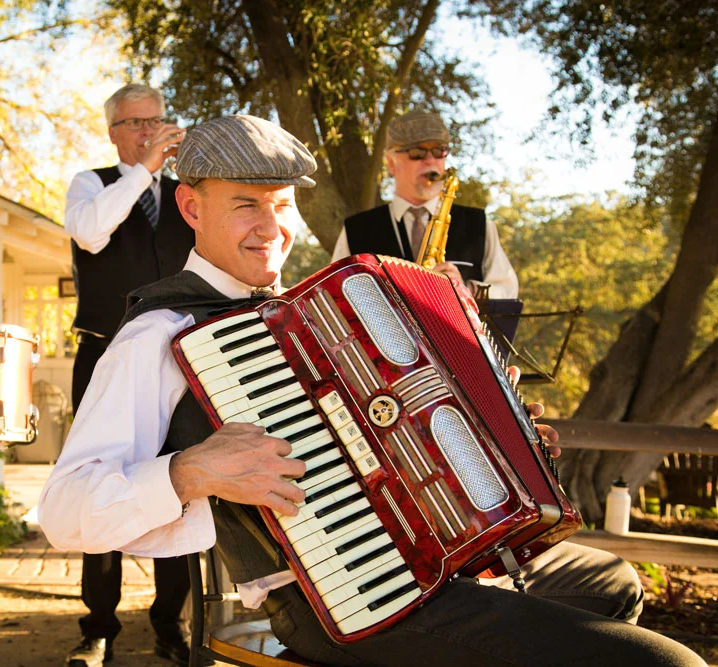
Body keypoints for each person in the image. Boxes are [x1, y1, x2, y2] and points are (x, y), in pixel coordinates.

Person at [39, 114, 705, 667]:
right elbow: (63, 511)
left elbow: (393, 439)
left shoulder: (318, 315)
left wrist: (501, 449)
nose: (271, 227)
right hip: (342, 597)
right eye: (246, 204)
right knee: (670, 664)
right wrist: (187, 471)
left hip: (435, 561)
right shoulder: (161, 332)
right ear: (190, 205)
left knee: (610, 584)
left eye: (281, 205)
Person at [61, 83, 196, 667]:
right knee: (99, 483)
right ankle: (99, 628)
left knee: (177, 484)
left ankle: (170, 622)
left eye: (157, 120)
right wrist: (141, 173)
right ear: (113, 130)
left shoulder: (188, 193)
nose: (149, 131)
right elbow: (90, 232)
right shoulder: (92, 184)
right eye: (136, 121)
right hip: (102, 357)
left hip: (176, 360)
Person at [333, 110, 518, 300]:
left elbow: (508, 290)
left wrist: (467, 289)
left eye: (439, 151)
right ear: (390, 162)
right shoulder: (356, 230)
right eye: (417, 152)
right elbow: (335, 296)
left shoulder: (479, 224)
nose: (430, 161)